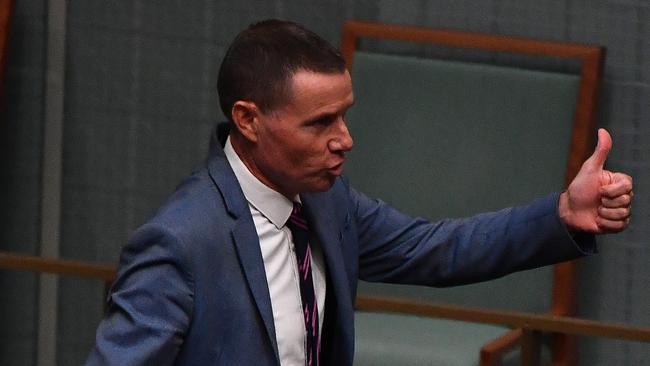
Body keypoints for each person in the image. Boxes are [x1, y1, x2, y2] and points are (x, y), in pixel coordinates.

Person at [86, 19, 633, 366]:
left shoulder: (325, 203)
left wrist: (563, 214)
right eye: (320, 123)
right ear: (248, 120)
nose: (344, 141)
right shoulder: (179, 243)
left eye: (344, 117)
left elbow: (437, 248)